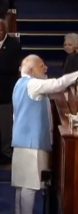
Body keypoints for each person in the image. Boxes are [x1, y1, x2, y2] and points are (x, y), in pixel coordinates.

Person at [11, 54, 78, 214]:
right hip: (32, 144)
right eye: (41, 66)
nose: (46, 68)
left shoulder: (19, 84)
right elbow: (58, 84)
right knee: (30, 186)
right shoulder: (33, 84)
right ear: (31, 69)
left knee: (22, 186)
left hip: (21, 142)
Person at [0, 19, 21, 164]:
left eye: (0, 30)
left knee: (6, 126)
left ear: (5, 30)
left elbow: (12, 67)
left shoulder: (14, 45)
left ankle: (6, 153)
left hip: (6, 93)